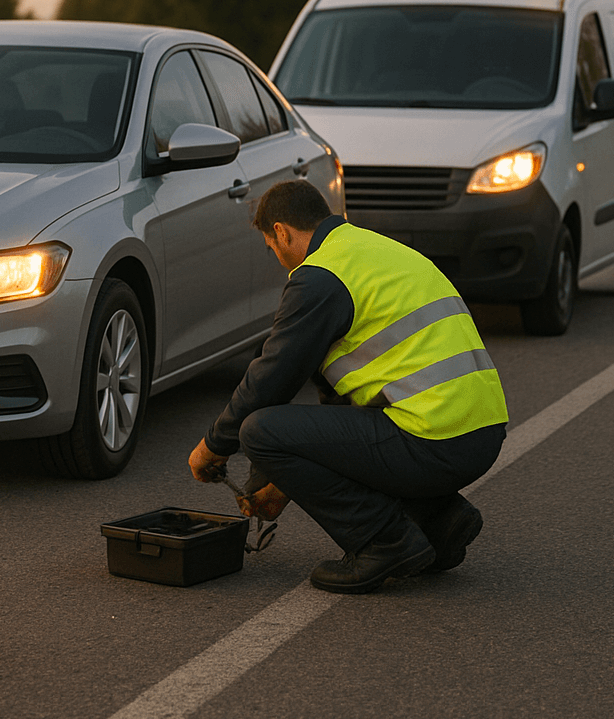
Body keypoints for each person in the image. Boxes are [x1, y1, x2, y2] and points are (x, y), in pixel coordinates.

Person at [188, 180, 508, 594]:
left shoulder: (319, 276)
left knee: (258, 431)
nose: (278, 259)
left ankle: (385, 542)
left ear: (281, 233)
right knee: (334, 421)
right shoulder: (372, 249)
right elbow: (333, 404)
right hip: (481, 431)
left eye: (272, 247)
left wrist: (213, 446)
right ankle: (439, 520)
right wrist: (284, 480)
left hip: (434, 437)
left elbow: (271, 377)